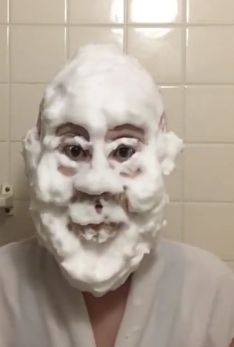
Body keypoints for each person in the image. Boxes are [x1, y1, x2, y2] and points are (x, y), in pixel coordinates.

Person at [0, 44, 234, 347]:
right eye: (73, 150)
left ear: (162, 158)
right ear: (34, 161)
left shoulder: (211, 291)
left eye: (124, 151)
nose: (97, 184)